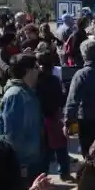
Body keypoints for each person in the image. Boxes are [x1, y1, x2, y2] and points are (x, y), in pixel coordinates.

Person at [0, 53, 45, 185]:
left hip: (31, 160)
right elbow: (12, 135)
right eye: (36, 67)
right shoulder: (16, 96)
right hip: (22, 163)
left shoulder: (27, 92)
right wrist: (20, 165)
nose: (39, 70)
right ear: (28, 71)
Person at [35, 51, 72, 182]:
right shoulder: (54, 80)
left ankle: (42, 176)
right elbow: (61, 99)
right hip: (53, 116)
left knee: (45, 150)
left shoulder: (36, 81)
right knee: (60, 147)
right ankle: (64, 173)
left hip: (40, 117)